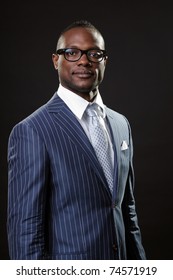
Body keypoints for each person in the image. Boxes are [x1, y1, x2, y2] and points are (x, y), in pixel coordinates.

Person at [7, 19, 146, 260]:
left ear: (104, 61)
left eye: (94, 53)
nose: (84, 60)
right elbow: (25, 230)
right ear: (55, 61)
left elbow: (126, 210)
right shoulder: (32, 130)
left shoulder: (121, 124)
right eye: (71, 53)